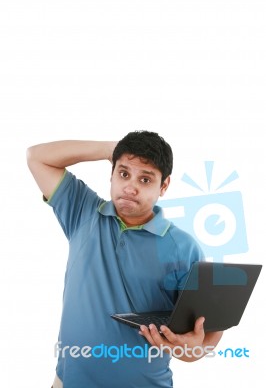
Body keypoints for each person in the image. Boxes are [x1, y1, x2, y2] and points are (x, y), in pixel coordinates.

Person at [26, 131, 223, 388]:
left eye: (145, 179)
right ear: (112, 173)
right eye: (123, 173)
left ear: (164, 186)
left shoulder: (183, 248)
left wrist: (194, 349)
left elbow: (209, 330)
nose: (130, 187)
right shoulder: (82, 212)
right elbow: (37, 157)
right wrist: (111, 149)